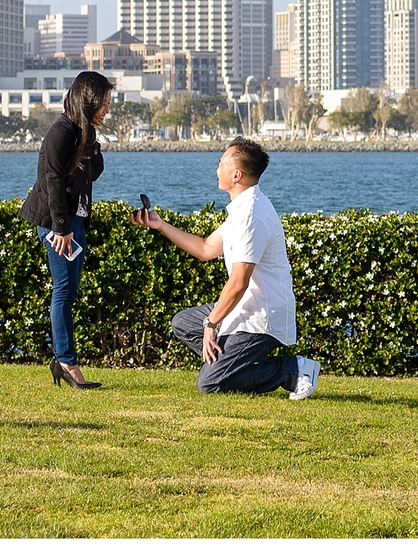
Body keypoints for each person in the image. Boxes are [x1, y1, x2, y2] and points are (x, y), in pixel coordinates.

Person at [137, 137, 320, 400]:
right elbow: (205, 249)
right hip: (244, 309)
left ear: (237, 174)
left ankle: (293, 369)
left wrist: (212, 324)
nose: (216, 169)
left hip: (262, 317)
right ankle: (226, 365)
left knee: (210, 384)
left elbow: (238, 283)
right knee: (183, 323)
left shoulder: (251, 215)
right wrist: (160, 225)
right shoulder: (241, 210)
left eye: (221, 163)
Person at [21, 70, 113, 389]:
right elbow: (53, 181)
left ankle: (64, 360)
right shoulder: (62, 132)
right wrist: (61, 229)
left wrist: (94, 147)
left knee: (69, 291)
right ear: (89, 101)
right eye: (104, 103)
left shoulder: (81, 132)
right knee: (63, 290)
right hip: (57, 223)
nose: (107, 109)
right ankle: (66, 361)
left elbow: (93, 174)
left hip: (75, 220)